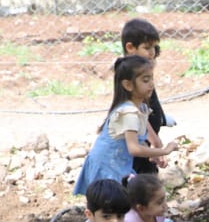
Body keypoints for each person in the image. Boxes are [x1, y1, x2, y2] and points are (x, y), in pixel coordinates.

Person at [73, 55, 180, 194]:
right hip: (108, 166)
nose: (151, 84)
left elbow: (135, 141)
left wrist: (152, 153)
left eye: (152, 78)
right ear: (128, 85)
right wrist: (164, 151)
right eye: (145, 80)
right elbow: (134, 149)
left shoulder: (139, 108)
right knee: (113, 207)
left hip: (117, 164)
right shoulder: (129, 112)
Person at [121, 18, 173, 176]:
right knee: (144, 179)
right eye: (147, 47)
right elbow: (137, 110)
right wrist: (154, 140)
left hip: (146, 137)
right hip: (141, 139)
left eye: (154, 47)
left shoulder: (140, 70)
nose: (152, 52)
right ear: (130, 47)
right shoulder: (131, 75)